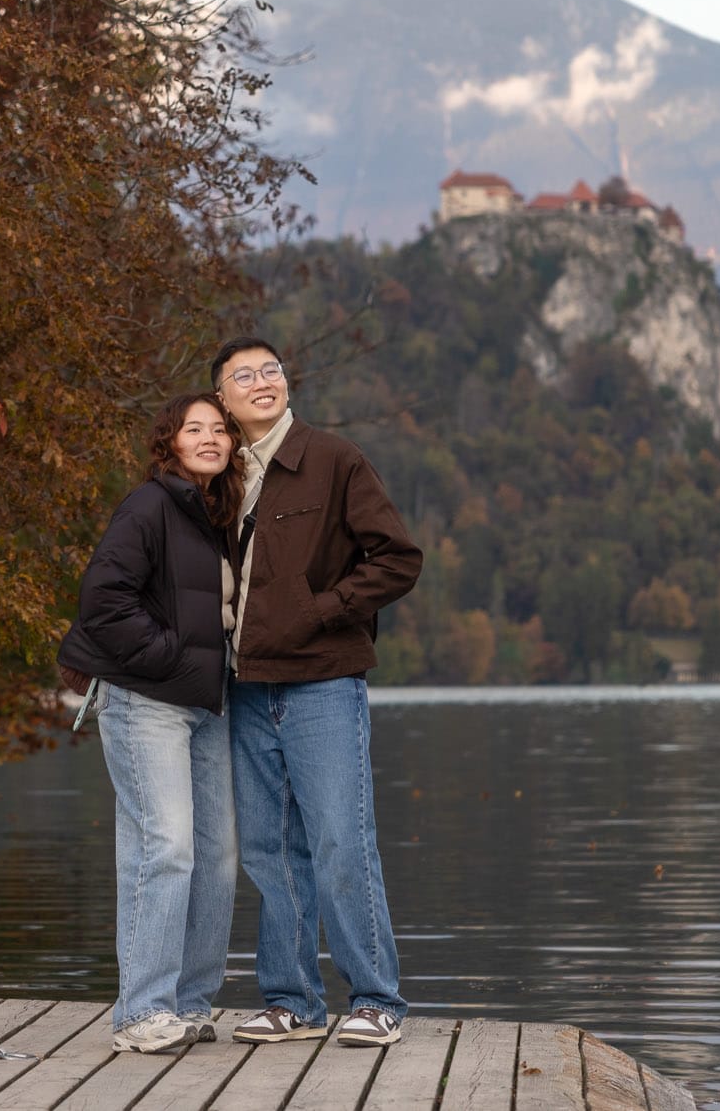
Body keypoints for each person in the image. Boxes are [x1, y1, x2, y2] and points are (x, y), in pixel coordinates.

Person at [211, 335, 423, 1048]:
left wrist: (321, 610)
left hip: (323, 683)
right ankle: (293, 1001)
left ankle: (376, 999)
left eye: (271, 369)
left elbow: (398, 558)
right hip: (244, 690)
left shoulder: (332, 459)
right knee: (270, 850)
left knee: (340, 840)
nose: (262, 381)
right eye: (244, 375)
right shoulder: (220, 477)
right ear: (222, 400)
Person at [57, 393, 245, 1054]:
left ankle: (189, 1006)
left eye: (220, 429)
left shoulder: (215, 516)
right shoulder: (150, 505)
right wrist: (164, 655)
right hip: (146, 701)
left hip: (206, 704)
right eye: (195, 428)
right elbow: (102, 601)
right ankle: (141, 1013)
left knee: (217, 858)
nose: (210, 437)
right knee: (163, 849)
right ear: (169, 442)